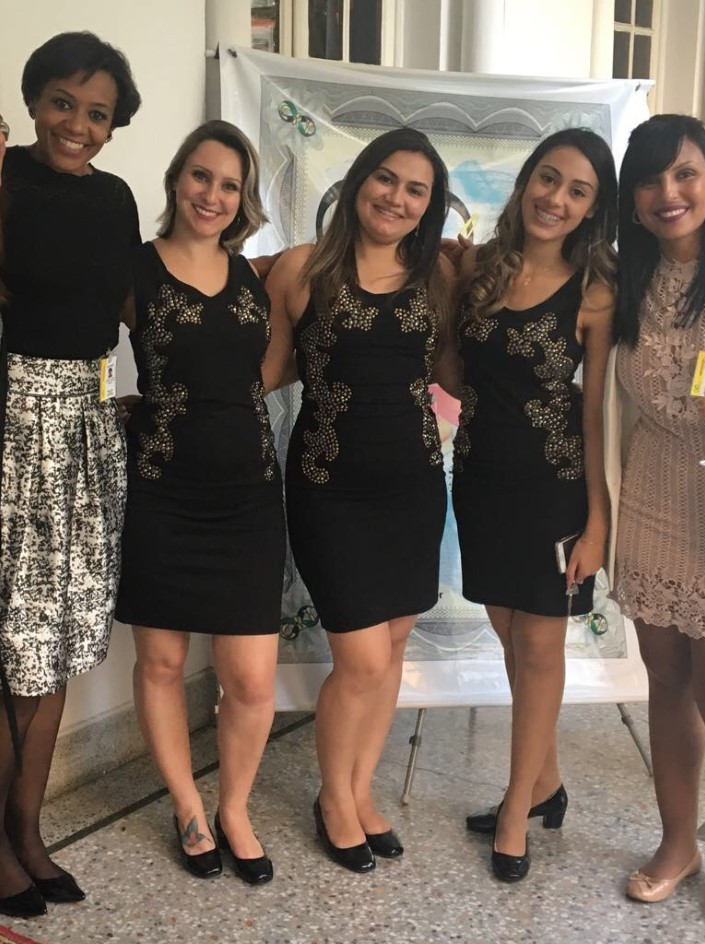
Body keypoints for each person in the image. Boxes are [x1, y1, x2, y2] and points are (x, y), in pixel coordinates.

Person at [264, 127, 455, 872]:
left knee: (394, 644)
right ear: (357, 181)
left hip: (413, 485)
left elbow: (456, 371)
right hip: (329, 487)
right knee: (364, 660)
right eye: (386, 178)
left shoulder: (438, 275)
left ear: (430, 205)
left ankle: (360, 787)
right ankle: (332, 800)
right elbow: (269, 370)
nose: (396, 198)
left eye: (415, 189)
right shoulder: (301, 269)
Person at [607, 114, 705, 929]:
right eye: (649, 180)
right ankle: (678, 842)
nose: (667, 193)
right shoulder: (622, 280)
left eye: (684, 173)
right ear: (631, 198)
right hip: (650, 500)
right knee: (667, 683)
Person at [115, 120, 284, 886]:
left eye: (229, 185)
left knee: (249, 680)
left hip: (248, 498)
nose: (212, 195)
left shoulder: (254, 275)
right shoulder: (134, 270)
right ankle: (188, 808)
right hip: (163, 495)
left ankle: (234, 809)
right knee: (161, 663)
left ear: (243, 199)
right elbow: (65, 328)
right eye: (201, 176)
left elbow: (264, 368)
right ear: (177, 178)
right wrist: (112, 406)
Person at [0, 32, 141, 918]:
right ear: (33, 101)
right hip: (12, 426)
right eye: (62, 103)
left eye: (97, 113)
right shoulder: (5, 181)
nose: (77, 125)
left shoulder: (116, 198)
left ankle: (26, 832)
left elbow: (130, 302)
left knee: (53, 648)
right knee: (10, 645)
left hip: (87, 432)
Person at [454, 129, 617, 881]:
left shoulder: (594, 292)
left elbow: (598, 414)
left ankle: (517, 808)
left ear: (592, 209)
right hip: (481, 481)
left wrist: (597, 522)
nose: (556, 199)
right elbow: (457, 370)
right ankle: (545, 782)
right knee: (509, 637)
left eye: (578, 191)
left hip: (555, 490)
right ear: (526, 182)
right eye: (548, 179)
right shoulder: (479, 269)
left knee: (541, 648)